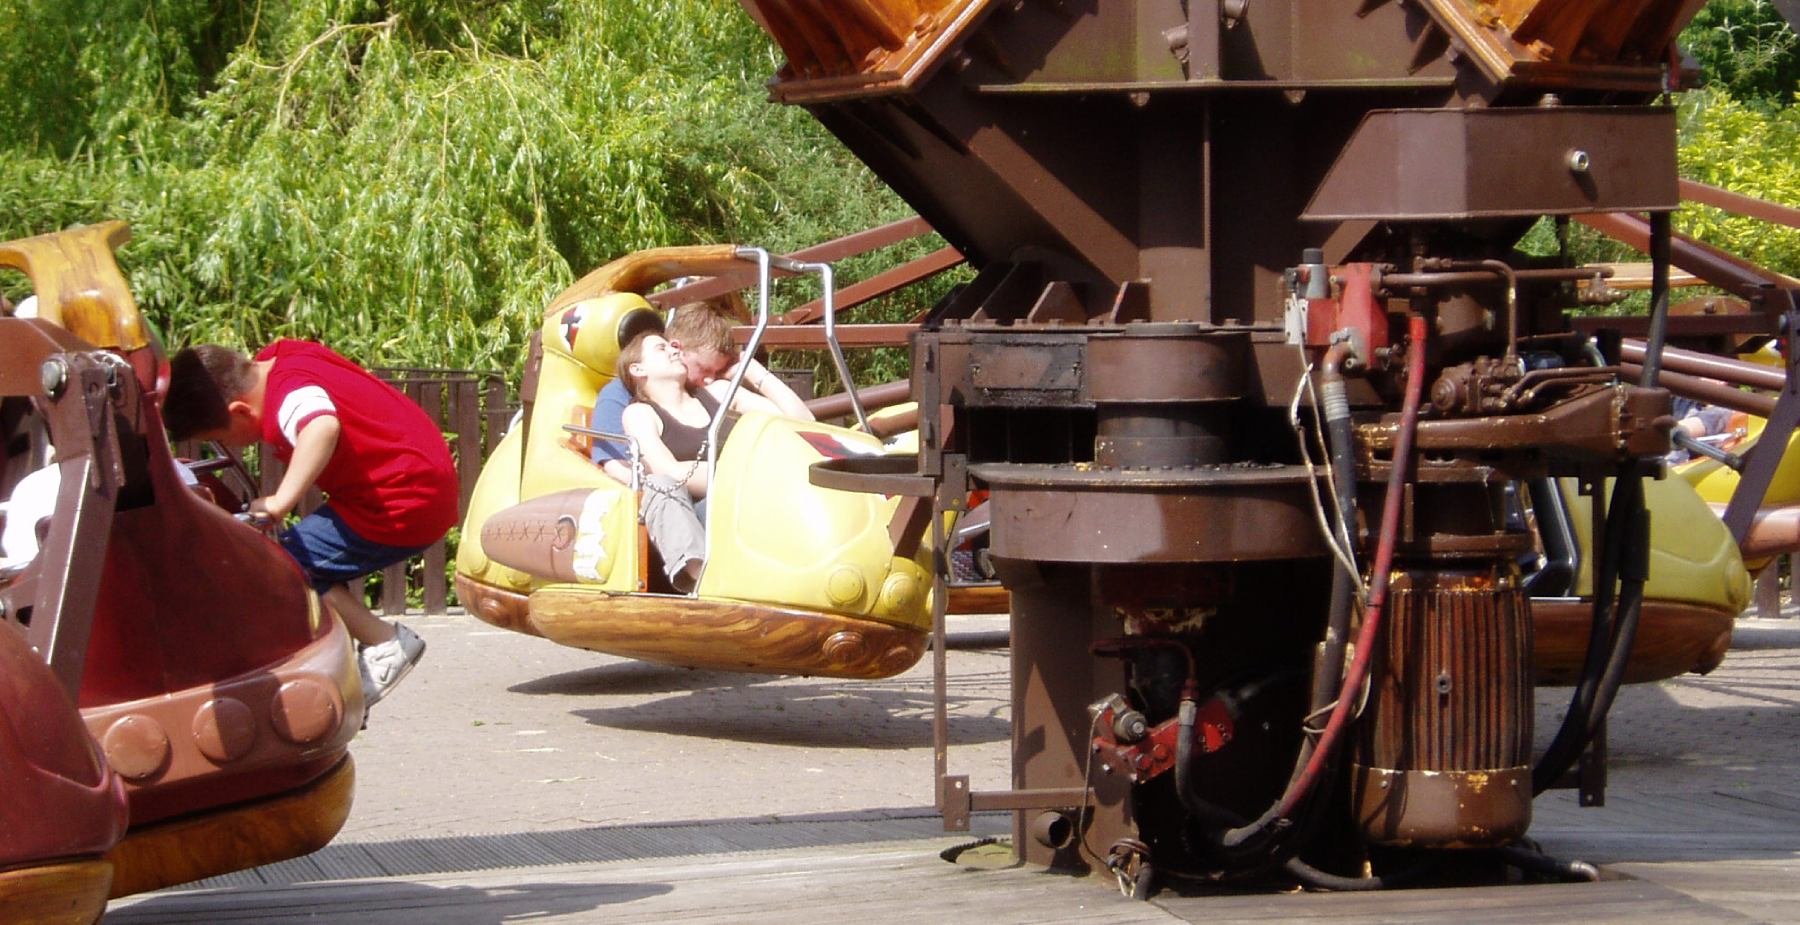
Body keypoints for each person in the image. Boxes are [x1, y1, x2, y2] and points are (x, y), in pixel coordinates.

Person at [163, 340, 458, 707]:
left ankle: (385, 644)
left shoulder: (288, 397)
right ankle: (343, 660)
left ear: (239, 410)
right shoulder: (282, 357)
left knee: (285, 565)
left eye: (222, 439)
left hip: (403, 498)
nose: (233, 447)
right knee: (302, 559)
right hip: (416, 479)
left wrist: (280, 501)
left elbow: (321, 427)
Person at [614, 330, 800, 591]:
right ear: (638, 368)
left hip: (750, 500)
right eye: (660, 348)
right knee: (659, 485)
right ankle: (702, 580)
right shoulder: (639, 413)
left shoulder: (718, 394)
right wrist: (742, 474)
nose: (673, 350)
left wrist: (754, 372)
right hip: (700, 512)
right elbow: (670, 471)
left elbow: (801, 422)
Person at [591, 298, 812, 483]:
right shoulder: (624, 396)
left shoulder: (714, 392)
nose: (709, 380)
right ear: (676, 349)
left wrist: (753, 371)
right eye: (705, 370)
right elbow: (618, 464)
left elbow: (804, 423)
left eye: (717, 372)